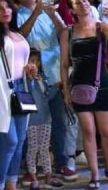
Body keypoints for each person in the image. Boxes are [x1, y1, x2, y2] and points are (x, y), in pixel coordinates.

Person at [14, 0, 77, 182]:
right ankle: (29, 167)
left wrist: (52, 15)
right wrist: (37, 11)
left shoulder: (49, 10)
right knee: (32, 127)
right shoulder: (16, 14)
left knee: (59, 123)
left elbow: (63, 33)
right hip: (32, 79)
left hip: (55, 74)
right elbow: (20, 35)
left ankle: (61, 162)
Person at [59, 0, 108, 188]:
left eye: (85, 0)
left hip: (101, 82)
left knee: (107, 132)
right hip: (78, 85)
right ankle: (94, 174)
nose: (83, 4)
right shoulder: (67, 32)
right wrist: (66, 91)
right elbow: (63, 64)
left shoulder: (99, 26)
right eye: (78, 3)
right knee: (88, 131)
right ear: (72, 10)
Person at [0, 0, 36, 190]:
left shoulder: (18, 35)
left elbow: (20, 62)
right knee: (10, 140)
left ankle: (11, 183)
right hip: (2, 91)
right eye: (0, 9)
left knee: (20, 140)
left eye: (7, 7)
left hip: (21, 87)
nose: (5, 11)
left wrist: (29, 69)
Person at [23, 48, 64, 190]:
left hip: (46, 119)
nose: (35, 64)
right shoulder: (25, 81)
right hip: (32, 121)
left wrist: (56, 87)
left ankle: (48, 176)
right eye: (32, 61)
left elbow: (46, 96)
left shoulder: (42, 78)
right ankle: (33, 177)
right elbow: (28, 92)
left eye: (37, 61)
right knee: (32, 148)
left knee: (45, 149)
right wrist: (30, 78)